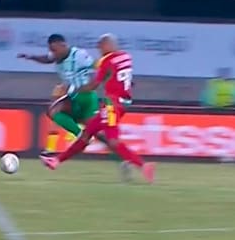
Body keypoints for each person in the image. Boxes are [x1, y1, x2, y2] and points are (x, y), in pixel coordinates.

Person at [39, 33, 155, 184]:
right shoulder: (126, 57)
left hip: (112, 105)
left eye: (100, 47)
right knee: (87, 135)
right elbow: (119, 75)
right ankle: (56, 161)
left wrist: (73, 90)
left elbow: (94, 84)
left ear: (107, 45)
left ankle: (142, 165)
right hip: (119, 102)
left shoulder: (104, 60)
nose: (99, 50)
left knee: (112, 141)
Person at [18, 34, 125, 168]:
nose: (53, 54)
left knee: (55, 110)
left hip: (85, 95)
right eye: (51, 50)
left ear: (63, 45)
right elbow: (47, 59)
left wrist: (117, 79)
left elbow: (99, 65)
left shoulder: (79, 56)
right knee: (95, 131)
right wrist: (31, 57)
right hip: (75, 96)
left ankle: (80, 137)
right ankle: (121, 156)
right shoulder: (57, 55)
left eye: (55, 50)